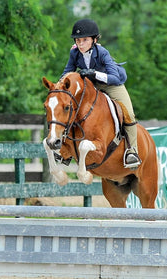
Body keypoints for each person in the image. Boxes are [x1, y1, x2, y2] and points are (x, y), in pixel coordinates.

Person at [61, 18, 141, 169]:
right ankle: (68, 148)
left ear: (94, 40)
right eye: (78, 40)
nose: (80, 44)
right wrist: (58, 87)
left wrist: (94, 73)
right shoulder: (74, 53)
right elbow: (67, 73)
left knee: (129, 113)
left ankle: (132, 151)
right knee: (71, 108)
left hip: (111, 83)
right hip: (91, 86)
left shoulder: (103, 52)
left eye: (85, 40)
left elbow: (115, 78)